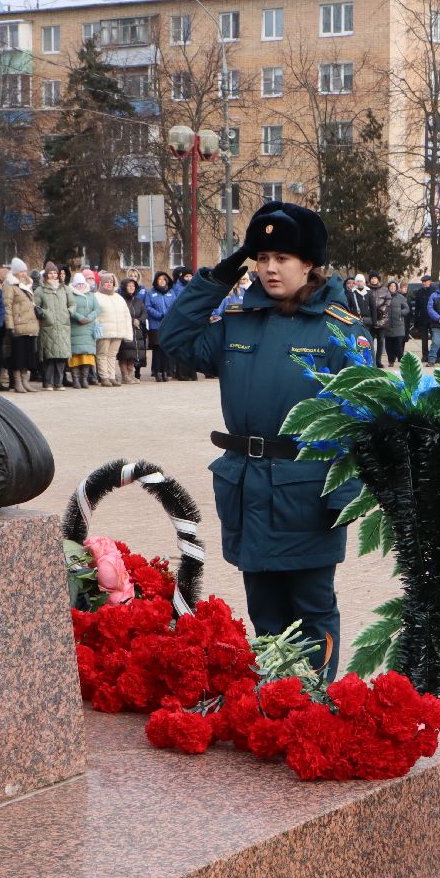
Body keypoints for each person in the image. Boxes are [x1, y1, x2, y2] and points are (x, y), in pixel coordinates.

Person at [159, 202, 370, 681]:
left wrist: (342, 499)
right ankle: (274, 702)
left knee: (312, 613)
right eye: (262, 257)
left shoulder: (340, 331)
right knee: (265, 614)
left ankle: (312, 704)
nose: (270, 268)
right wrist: (218, 278)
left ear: (309, 264)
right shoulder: (237, 319)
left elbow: (361, 421)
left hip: (307, 492)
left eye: (283, 258)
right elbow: (175, 340)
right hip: (247, 488)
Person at [1, 258, 40, 394]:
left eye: (25, 271)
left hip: (30, 326)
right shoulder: (10, 286)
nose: (24, 274)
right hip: (18, 326)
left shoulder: (27, 286)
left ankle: (25, 381)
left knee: (28, 357)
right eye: (22, 271)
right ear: (16, 272)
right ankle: (17, 382)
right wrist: (10, 326)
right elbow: (7, 307)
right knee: (18, 356)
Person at [35, 262, 74, 391]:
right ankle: (48, 382)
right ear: (46, 275)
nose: (53, 275)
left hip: (63, 325)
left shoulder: (65, 289)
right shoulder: (40, 290)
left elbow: (72, 304)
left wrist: (68, 312)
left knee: (61, 356)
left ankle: (59, 382)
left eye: (55, 273)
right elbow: (35, 305)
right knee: (49, 356)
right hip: (48, 326)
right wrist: (44, 313)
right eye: (50, 273)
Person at [93, 271, 131, 386]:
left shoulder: (119, 298)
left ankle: (112, 376)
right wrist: (97, 330)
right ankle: (104, 377)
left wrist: (127, 333)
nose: (109, 284)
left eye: (111, 282)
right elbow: (94, 315)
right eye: (106, 282)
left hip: (117, 332)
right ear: (101, 284)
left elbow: (126, 315)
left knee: (112, 355)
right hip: (104, 331)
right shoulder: (96, 296)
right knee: (102, 354)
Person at [67, 273, 99, 389]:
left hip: (88, 329)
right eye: (78, 284)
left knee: (87, 355)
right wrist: (80, 318)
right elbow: (69, 308)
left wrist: (89, 318)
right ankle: (75, 379)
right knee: (75, 355)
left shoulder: (91, 295)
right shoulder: (70, 294)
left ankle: (84, 379)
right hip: (76, 327)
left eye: (82, 283)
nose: (80, 285)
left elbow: (97, 309)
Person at [144, 271, 176, 381]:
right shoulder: (151, 293)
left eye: (164, 279)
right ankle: (157, 372)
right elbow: (148, 307)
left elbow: (175, 306)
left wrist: (168, 316)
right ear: (156, 281)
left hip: (168, 324)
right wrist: (159, 315)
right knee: (157, 349)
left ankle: (165, 372)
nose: (162, 281)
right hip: (155, 325)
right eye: (160, 279)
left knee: (166, 349)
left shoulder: (172, 292)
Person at [119, 277, 146, 383]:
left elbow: (144, 312)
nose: (131, 288)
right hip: (125, 329)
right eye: (129, 286)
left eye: (133, 286)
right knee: (124, 354)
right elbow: (120, 314)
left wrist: (139, 320)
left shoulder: (138, 300)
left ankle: (130, 374)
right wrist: (131, 321)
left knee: (133, 354)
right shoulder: (121, 299)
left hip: (137, 330)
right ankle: (124, 375)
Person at [382, 280, 410, 364]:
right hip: (387, 324)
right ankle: (391, 360)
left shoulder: (401, 297)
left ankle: (402, 361)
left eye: (394, 286)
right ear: (388, 288)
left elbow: (407, 309)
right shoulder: (384, 297)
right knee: (389, 345)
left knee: (398, 345)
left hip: (399, 325)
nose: (392, 288)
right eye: (391, 286)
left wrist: (400, 313)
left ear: (396, 288)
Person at [363, 273, 387, 365]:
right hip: (371, 319)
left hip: (381, 319)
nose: (373, 280)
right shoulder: (366, 290)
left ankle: (378, 360)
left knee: (381, 340)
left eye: (375, 278)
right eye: (372, 278)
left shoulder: (384, 290)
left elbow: (388, 302)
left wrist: (380, 310)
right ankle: (371, 360)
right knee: (370, 340)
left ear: (378, 279)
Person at [409, 273, 434, 361]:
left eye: (425, 281)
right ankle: (425, 355)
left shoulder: (434, 291)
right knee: (424, 339)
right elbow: (417, 306)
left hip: (433, 319)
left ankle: (433, 355)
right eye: (422, 281)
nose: (423, 283)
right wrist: (416, 318)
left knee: (434, 338)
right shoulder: (419, 292)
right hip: (423, 319)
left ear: (430, 282)